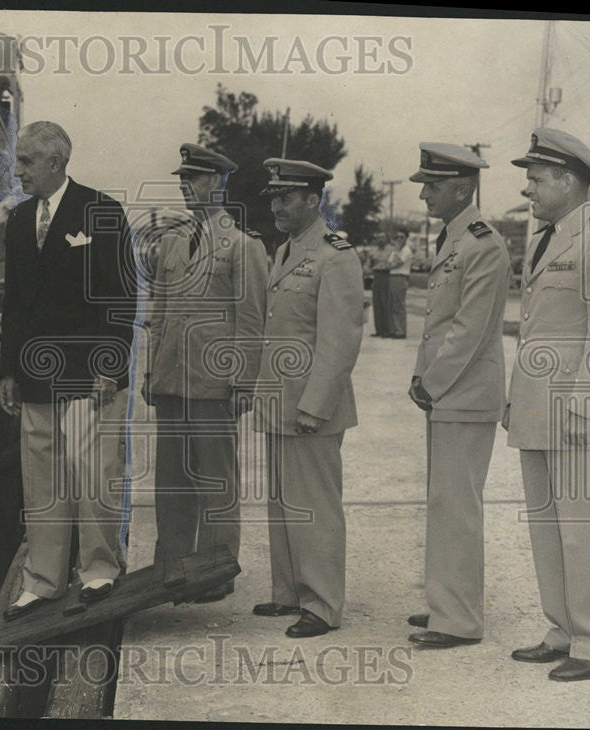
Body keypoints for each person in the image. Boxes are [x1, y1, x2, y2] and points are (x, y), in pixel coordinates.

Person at [506, 128, 590, 681]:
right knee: (547, 528)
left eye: (535, 178)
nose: (528, 188)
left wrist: (584, 406)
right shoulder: (547, 238)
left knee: (584, 531)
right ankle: (563, 629)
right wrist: (517, 403)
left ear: (566, 179)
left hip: (577, 415)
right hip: (538, 412)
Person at [0, 121, 136, 619]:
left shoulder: (100, 212)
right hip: (35, 377)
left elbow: (120, 298)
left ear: (55, 163)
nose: (18, 171)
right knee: (42, 482)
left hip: (88, 375)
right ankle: (44, 579)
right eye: (18, 161)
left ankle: (99, 569)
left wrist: (111, 363)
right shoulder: (17, 221)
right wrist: (8, 370)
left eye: (27, 161)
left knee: (93, 474)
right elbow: (13, 302)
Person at [144, 143, 268, 602]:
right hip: (172, 381)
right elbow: (159, 312)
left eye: (193, 177)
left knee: (216, 480)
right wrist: (149, 372)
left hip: (214, 384)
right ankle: (172, 568)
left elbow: (251, 318)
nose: (183, 184)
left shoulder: (242, 245)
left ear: (217, 182)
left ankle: (216, 570)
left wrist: (242, 382)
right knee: (172, 483)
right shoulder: (173, 241)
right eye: (181, 177)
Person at [253, 158, 364, 638]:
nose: (277, 205)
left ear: (312, 199)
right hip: (281, 400)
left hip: (310, 405)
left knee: (314, 505)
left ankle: (322, 604)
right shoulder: (285, 251)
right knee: (282, 503)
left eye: (287, 197)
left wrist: (315, 405)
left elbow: (340, 341)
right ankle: (290, 593)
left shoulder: (335, 255)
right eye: (273, 198)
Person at [405, 143, 510, 649]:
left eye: (432, 184)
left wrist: (431, 380)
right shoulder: (456, 239)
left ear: (462, 188)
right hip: (450, 393)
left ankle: (460, 619)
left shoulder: (482, 243)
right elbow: (438, 325)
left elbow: (470, 327)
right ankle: (447, 604)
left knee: (457, 505)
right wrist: (421, 376)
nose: (424, 192)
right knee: (445, 503)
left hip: (466, 394)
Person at [386, 228, 413, 338]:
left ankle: (400, 331)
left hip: (400, 277)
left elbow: (396, 264)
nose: (399, 239)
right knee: (392, 304)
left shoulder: (406, 251)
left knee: (399, 305)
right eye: (397, 237)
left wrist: (396, 250)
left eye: (402, 237)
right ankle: (394, 329)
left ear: (406, 238)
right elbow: (389, 264)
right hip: (392, 276)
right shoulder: (395, 251)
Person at [369, 235, 392, 337]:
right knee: (376, 302)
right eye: (379, 238)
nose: (380, 239)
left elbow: (391, 263)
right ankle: (379, 330)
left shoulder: (391, 250)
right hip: (376, 275)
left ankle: (387, 330)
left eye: (383, 237)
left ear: (386, 239)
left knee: (385, 302)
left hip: (386, 275)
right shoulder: (374, 250)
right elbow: (369, 263)